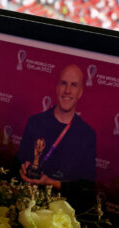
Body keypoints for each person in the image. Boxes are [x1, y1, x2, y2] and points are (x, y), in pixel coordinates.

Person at [17, 64, 97, 192]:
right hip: (28, 196)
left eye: (74, 85)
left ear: (80, 92)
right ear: (57, 88)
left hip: (61, 202)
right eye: (64, 83)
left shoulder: (87, 135)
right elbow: (18, 163)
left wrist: (51, 182)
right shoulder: (35, 122)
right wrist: (23, 168)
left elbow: (86, 187)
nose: (67, 90)